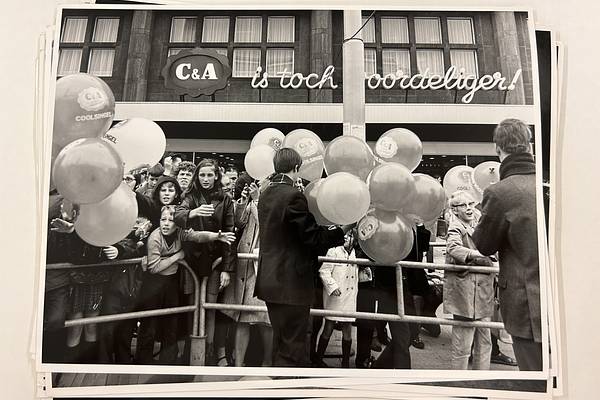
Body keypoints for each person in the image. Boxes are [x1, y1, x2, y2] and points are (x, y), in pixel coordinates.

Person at [255, 148, 351, 367]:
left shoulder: (266, 193)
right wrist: (342, 231)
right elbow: (312, 238)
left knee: (280, 341)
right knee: (292, 347)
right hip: (292, 283)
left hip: (270, 280)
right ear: (296, 167)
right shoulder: (293, 196)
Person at [472, 118, 542, 371]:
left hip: (527, 306)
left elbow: (484, 245)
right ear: (528, 145)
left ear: (497, 149)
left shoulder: (500, 193)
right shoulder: (548, 184)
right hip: (561, 301)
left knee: (534, 378)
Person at [136, 206, 235, 364]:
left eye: (171, 220)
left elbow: (197, 236)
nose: (166, 224)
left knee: (171, 325)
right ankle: (142, 363)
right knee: (149, 325)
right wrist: (177, 257)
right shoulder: (155, 238)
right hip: (154, 285)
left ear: (177, 223)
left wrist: (217, 236)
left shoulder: (180, 232)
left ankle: (167, 364)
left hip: (171, 283)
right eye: (163, 220)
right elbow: (154, 268)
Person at [174, 158, 236, 366]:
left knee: (209, 307)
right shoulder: (189, 196)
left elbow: (229, 234)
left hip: (214, 261)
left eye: (210, 175)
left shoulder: (225, 200)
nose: (206, 179)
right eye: (202, 175)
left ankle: (208, 351)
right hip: (191, 259)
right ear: (196, 176)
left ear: (216, 176)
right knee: (192, 305)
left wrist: (227, 268)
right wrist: (193, 212)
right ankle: (191, 351)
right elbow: (177, 215)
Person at [221, 173, 273, 366]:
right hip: (244, 264)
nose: (258, 183)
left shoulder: (272, 200)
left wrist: (258, 199)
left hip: (262, 264)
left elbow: (267, 226)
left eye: (263, 180)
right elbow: (238, 222)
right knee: (242, 317)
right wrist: (244, 201)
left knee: (264, 319)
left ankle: (267, 362)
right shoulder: (251, 199)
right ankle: (238, 363)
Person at [444, 190, 495, 370]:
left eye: (471, 204)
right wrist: (479, 254)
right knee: (463, 345)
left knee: (485, 340)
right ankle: (460, 382)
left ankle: (481, 380)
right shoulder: (455, 226)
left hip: (482, 292)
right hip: (465, 293)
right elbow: (453, 248)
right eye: (463, 205)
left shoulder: (478, 222)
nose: (468, 208)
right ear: (455, 210)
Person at [314, 230, 361, 368]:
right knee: (328, 326)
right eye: (345, 234)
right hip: (336, 295)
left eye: (350, 235)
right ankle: (318, 359)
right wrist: (332, 286)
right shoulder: (333, 250)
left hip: (350, 296)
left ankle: (345, 363)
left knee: (348, 328)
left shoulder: (356, 254)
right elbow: (324, 270)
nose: (346, 237)